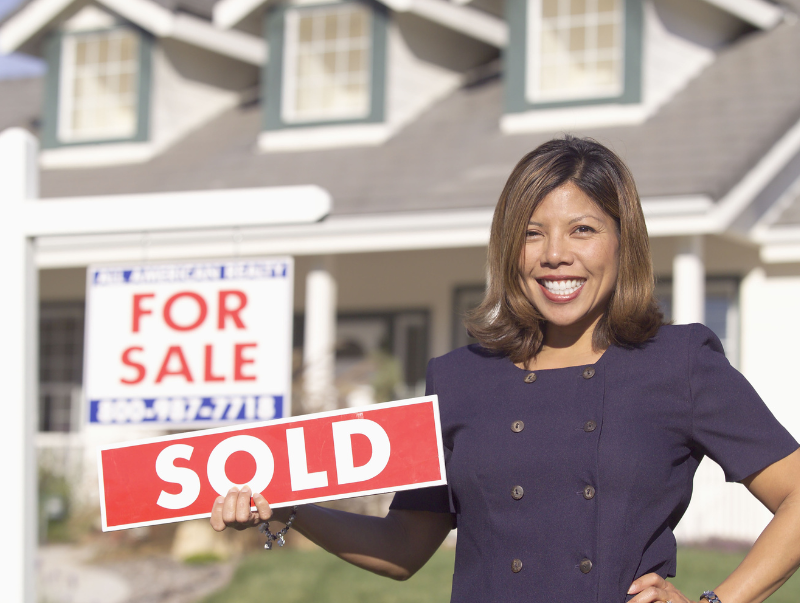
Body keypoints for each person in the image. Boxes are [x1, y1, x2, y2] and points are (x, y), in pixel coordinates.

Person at [210, 136, 800, 603]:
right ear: (507, 249)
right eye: (532, 233)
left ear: (624, 243)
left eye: (583, 230)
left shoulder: (679, 364)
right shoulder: (459, 380)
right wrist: (290, 507)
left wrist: (715, 602)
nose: (555, 255)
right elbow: (404, 547)